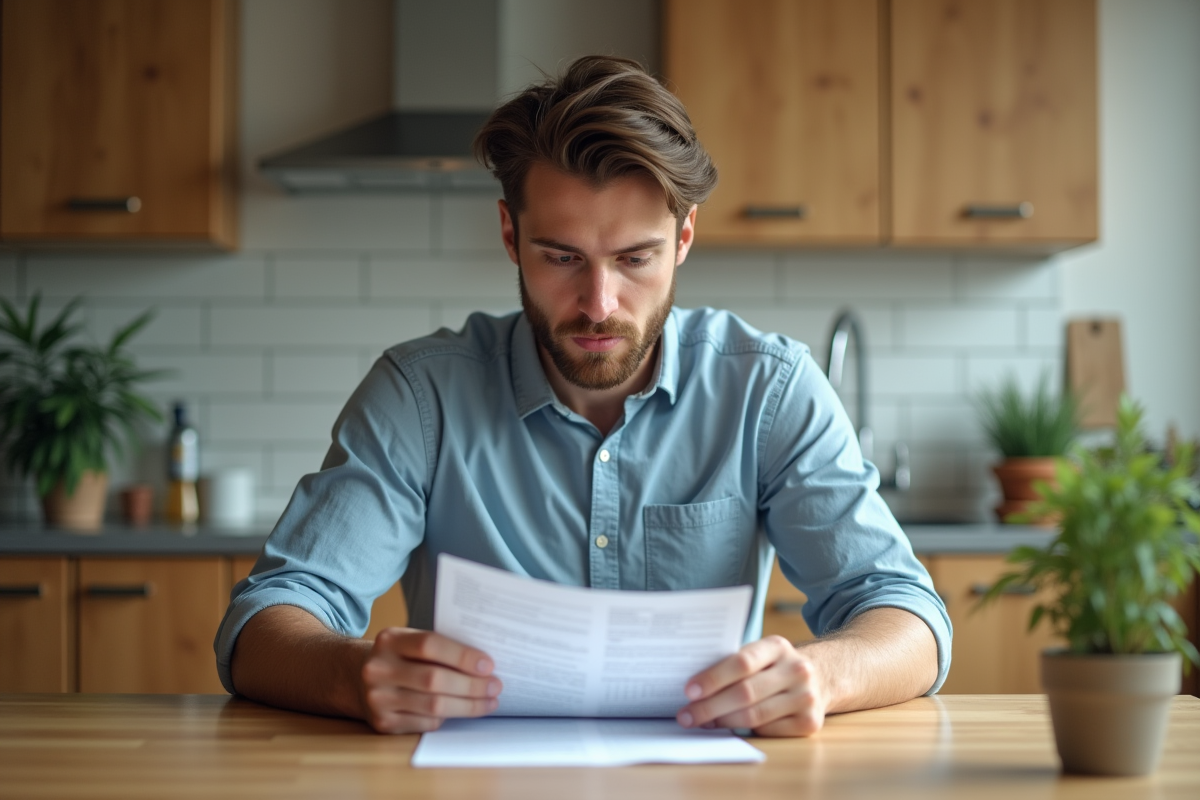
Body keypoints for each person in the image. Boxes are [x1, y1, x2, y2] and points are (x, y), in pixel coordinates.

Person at [216, 55, 951, 738]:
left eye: (636, 259)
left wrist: (822, 674)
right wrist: (350, 675)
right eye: (562, 257)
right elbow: (261, 626)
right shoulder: (420, 396)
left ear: (685, 237)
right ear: (510, 234)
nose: (599, 303)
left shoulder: (769, 388)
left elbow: (909, 617)